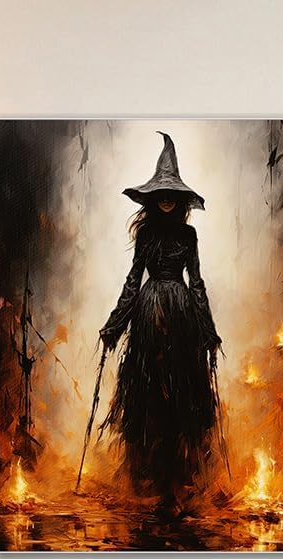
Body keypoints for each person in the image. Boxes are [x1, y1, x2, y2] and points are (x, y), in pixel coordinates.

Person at [98, 133, 221, 497]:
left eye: (171, 193)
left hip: (181, 315)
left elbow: (196, 284)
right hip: (149, 315)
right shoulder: (146, 235)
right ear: (153, 198)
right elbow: (133, 280)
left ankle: (179, 474)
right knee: (148, 389)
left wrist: (208, 332)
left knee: (182, 389)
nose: (166, 198)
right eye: (161, 193)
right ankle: (147, 473)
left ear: (179, 198)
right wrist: (114, 325)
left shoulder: (189, 236)